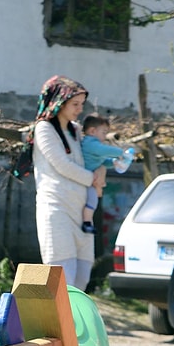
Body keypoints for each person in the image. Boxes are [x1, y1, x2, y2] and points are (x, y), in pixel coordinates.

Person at [31, 75, 107, 291]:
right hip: (57, 209)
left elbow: (90, 157)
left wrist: (101, 169)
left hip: (81, 212)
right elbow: (61, 164)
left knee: (82, 279)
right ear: (59, 102)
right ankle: (58, 325)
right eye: (75, 104)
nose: (79, 109)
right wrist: (92, 179)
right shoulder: (44, 128)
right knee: (62, 280)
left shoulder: (75, 129)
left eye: (82, 104)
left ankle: (74, 325)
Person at [79, 114, 133, 234]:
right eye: (103, 132)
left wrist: (114, 162)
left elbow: (102, 160)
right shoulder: (90, 143)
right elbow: (104, 151)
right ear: (92, 131)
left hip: (91, 178)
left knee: (93, 199)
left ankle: (87, 221)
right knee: (92, 200)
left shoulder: (92, 145)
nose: (105, 136)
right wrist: (121, 153)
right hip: (87, 180)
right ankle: (86, 222)